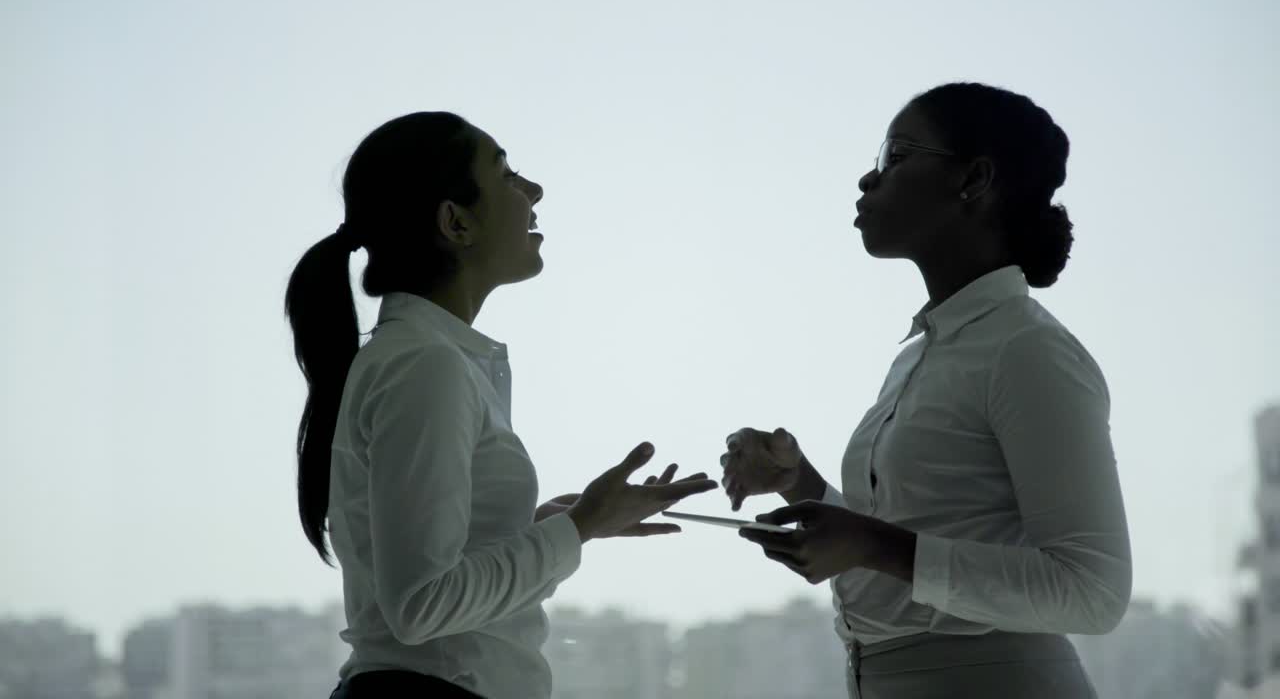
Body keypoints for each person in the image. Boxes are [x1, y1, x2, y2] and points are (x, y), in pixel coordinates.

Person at [284, 112, 718, 699]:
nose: (533, 191)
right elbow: (422, 606)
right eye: (507, 173)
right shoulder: (425, 364)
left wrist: (562, 524)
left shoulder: (428, 359)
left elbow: (433, 580)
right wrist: (580, 525)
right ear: (455, 222)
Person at [721, 83, 1131, 699]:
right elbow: (918, 537)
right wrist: (801, 486)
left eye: (895, 155)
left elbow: (1092, 592)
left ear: (974, 179)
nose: (868, 178)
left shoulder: (1027, 350)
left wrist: (871, 543)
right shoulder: (928, 352)